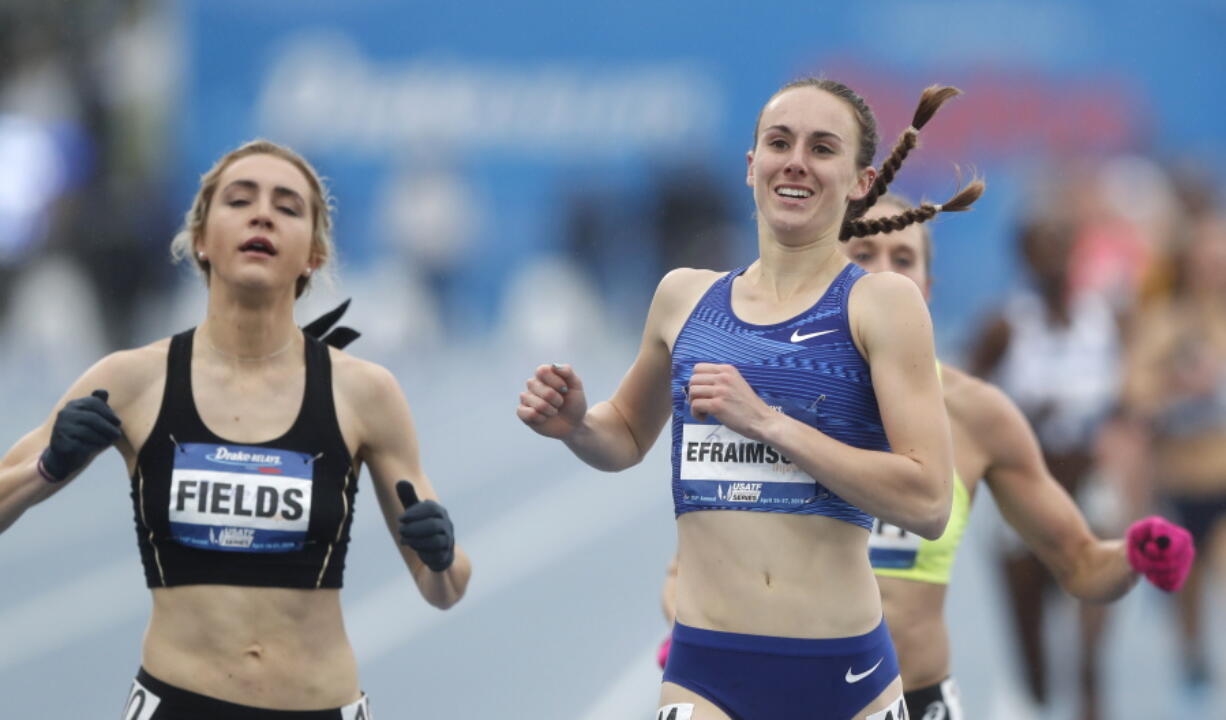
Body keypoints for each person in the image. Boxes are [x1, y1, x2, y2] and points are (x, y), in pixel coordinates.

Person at [519, 79, 980, 720]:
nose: (795, 161)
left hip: (843, 677)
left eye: (822, 148)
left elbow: (929, 501)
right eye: (779, 142)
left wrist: (769, 422)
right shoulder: (684, 298)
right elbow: (623, 434)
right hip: (705, 670)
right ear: (750, 166)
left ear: (860, 182)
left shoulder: (881, 303)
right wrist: (575, 425)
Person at [0, 139, 471, 719]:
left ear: (313, 257)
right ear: (201, 239)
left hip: (321, 706)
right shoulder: (131, 380)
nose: (263, 214)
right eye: (240, 200)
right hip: (177, 703)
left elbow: (442, 588)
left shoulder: (365, 393)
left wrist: (442, 556)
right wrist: (48, 468)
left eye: (288, 207)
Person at [849, 194, 1195, 719]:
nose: (885, 276)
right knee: (1029, 629)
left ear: (927, 284)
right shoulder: (763, 397)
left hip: (918, 694)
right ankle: (1031, 697)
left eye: (903, 260)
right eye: (863, 255)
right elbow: (710, 547)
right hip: (789, 688)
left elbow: (1081, 561)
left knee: (1086, 650)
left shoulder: (979, 413)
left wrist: (1136, 555)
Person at [1122, 208, 1226, 708]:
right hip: (1180, 480)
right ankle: (1193, 661)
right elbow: (1135, 397)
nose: (1216, 264)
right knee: (1190, 589)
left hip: (1222, 472)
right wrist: (1178, 388)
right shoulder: (1163, 320)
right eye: (1207, 255)